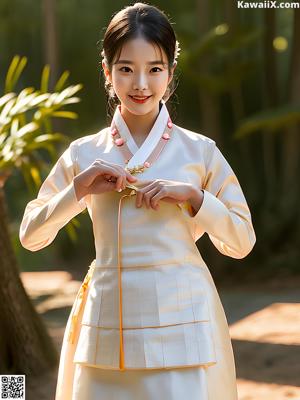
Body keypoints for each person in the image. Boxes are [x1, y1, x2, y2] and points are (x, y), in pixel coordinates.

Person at [19, 2, 256, 399]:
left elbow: (242, 241)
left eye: (155, 69)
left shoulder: (200, 151)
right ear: (107, 71)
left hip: (184, 322)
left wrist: (195, 198)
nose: (141, 84)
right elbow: (30, 235)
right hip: (106, 325)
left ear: (171, 73)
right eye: (126, 68)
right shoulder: (83, 153)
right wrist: (79, 189)